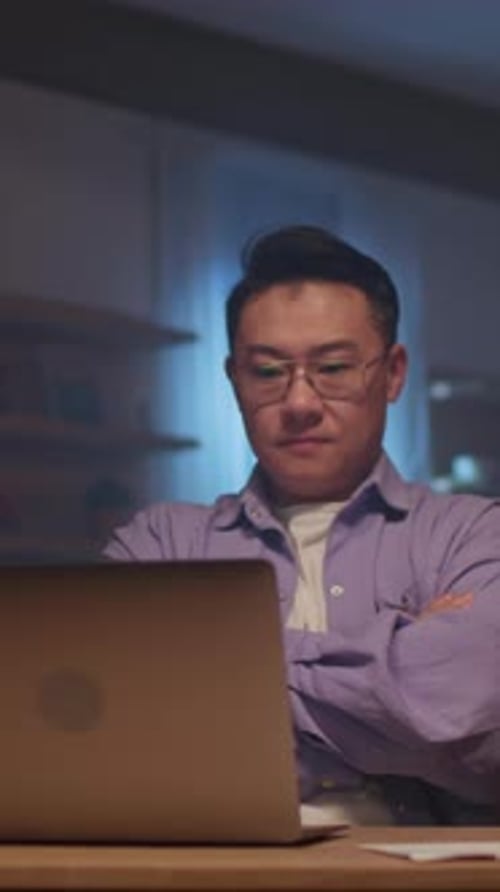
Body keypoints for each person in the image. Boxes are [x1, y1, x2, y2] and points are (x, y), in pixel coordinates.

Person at [105, 225, 500, 825]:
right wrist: (396, 667)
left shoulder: (473, 536)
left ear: (392, 374)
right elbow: (111, 725)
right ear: (234, 378)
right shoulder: (159, 543)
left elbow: (462, 700)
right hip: (211, 874)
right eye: (267, 372)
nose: (299, 402)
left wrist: (206, 668)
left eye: (334, 367)